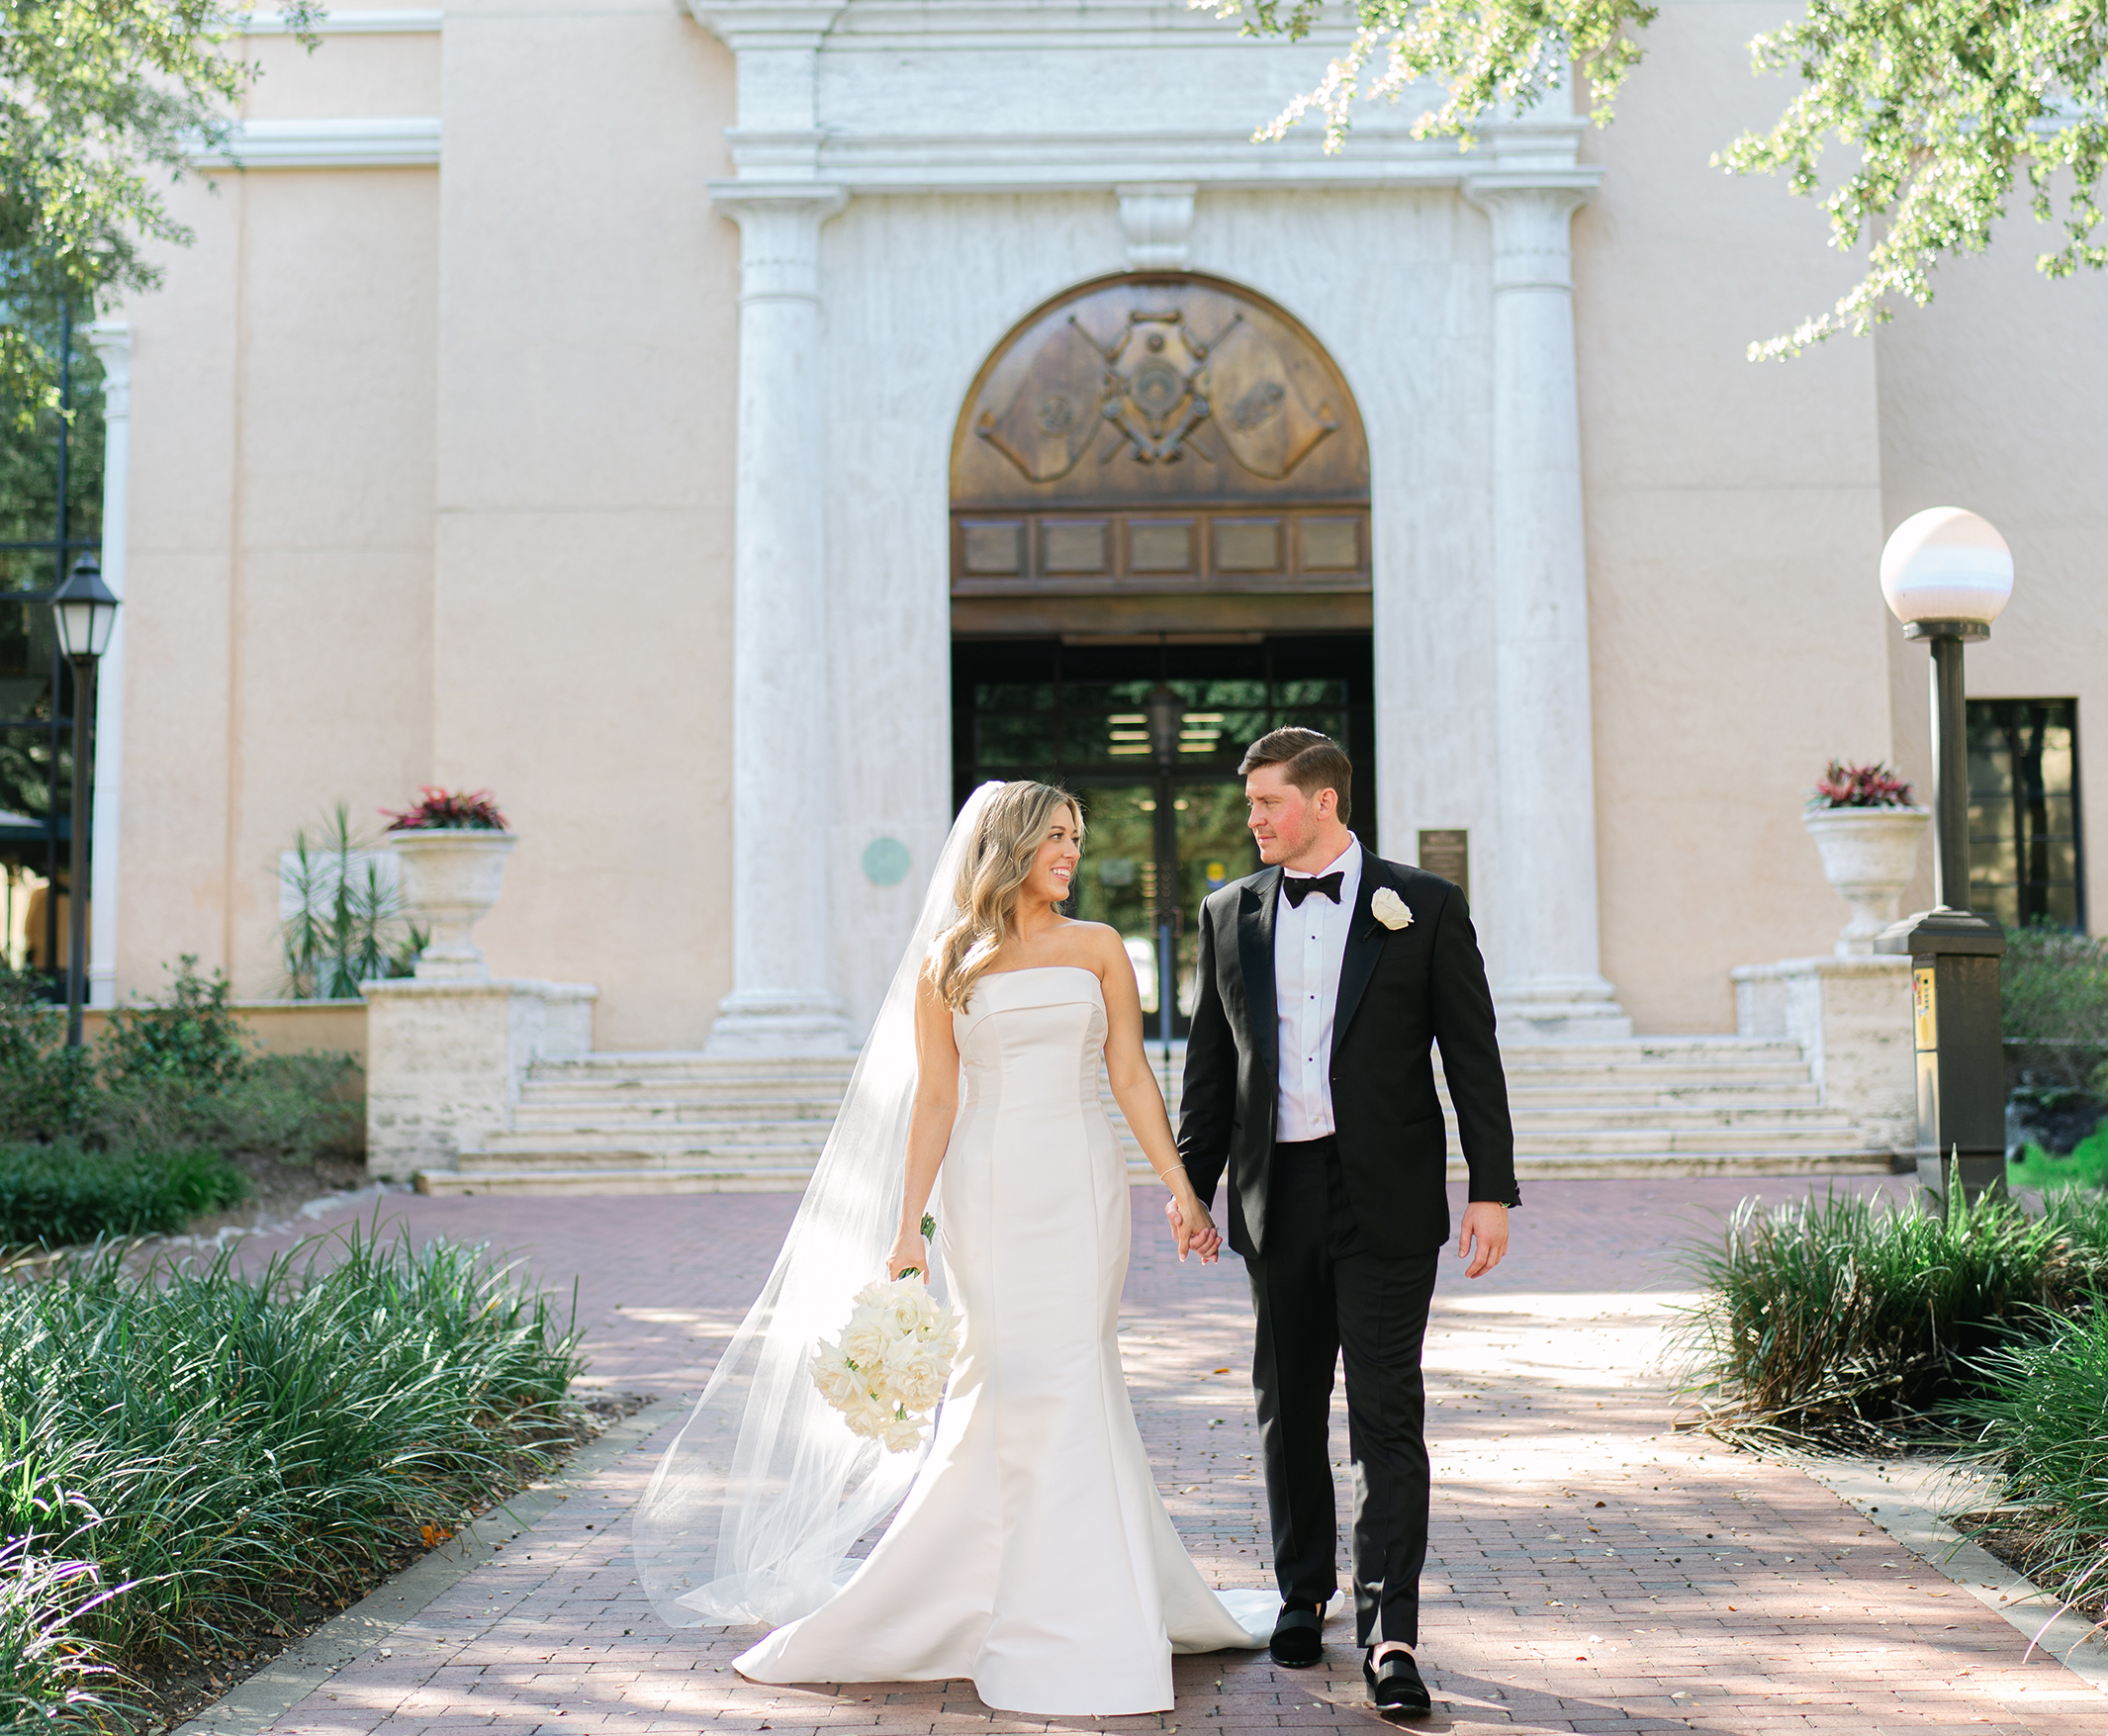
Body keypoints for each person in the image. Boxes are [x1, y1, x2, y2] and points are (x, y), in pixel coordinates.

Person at [629, 779, 1266, 1715]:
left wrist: (1179, 1190)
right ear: (1009, 846)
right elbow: (935, 1100)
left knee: (1075, 1369)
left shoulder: (1097, 951)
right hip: (987, 1189)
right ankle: (979, 1589)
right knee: (1001, 1372)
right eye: (1054, 837)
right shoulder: (950, 962)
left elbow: (1130, 1072)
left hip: (1083, 1183)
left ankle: (1090, 1594)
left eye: (1076, 839)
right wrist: (907, 1232)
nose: (1070, 854)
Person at [1172, 726, 1518, 1720]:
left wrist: (1489, 1188)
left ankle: (1390, 1632)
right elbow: (1210, 1067)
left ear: (1322, 802)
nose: (1254, 821)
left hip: (1387, 1199)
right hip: (1272, 1197)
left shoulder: (1426, 906)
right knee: (1286, 1407)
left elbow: (1472, 1057)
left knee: (1385, 1416)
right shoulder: (1227, 913)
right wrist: (1192, 1187)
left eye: (1267, 804)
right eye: (1252, 807)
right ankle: (1300, 1592)